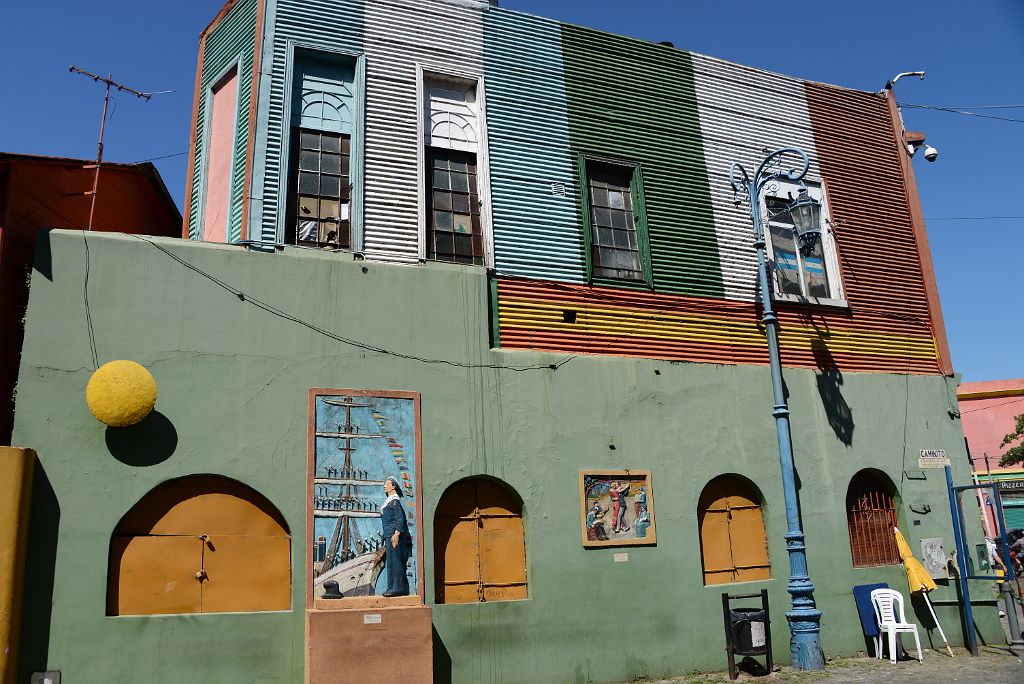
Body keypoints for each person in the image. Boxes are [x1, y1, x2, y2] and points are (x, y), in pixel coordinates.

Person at [378, 476, 411, 596]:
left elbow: (400, 518)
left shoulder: (395, 502)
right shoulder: (389, 502)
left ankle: (398, 587)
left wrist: (396, 534)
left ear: (393, 487)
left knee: (395, 561)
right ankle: (391, 587)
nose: (384, 486)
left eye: (387, 484)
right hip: (389, 535)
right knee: (391, 561)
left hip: (393, 536)